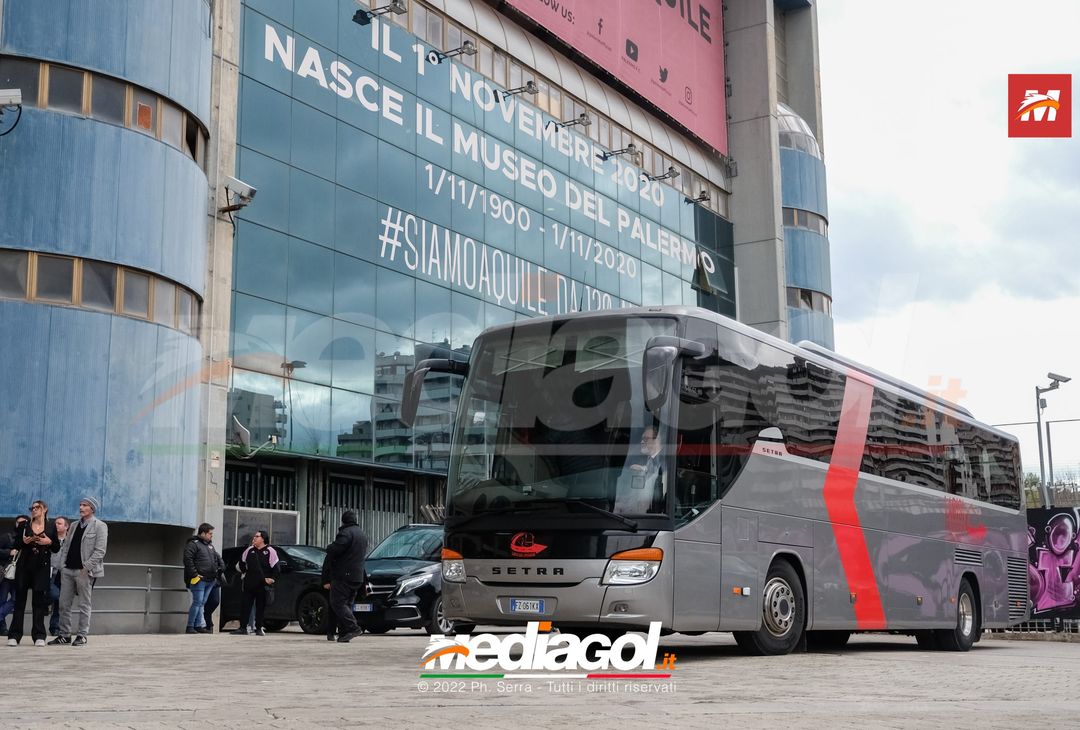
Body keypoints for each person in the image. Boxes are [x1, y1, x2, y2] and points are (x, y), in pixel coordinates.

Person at [50, 497, 108, 647]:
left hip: (84, 571)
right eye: (80, 505)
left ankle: (82, 635)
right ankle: (64, 635)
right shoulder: (74, 525)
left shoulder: (100, 526)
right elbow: (66, 547)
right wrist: (62, 565)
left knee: (84, 604)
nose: (81, 508)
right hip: (67, 570)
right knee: (63, 604)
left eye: (85, 505)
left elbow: (100, 551)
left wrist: (86, 567)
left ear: (92, 509)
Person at [7, 500, 60, 647]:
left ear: (45, 509)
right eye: (32, 508)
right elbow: (16, 545)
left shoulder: (50, 526)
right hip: (24, 566)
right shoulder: (24, 525)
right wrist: (25, 541)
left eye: (37, 507)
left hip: (41, 568)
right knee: (19, 602)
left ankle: (39, 636)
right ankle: (14, 635)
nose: (34, 510)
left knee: (38, 602)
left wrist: (49, 542)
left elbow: (56, 547)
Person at [324, 511, 368, 643]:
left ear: (343, 521)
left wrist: (330, 546)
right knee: (347, 604)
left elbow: (335, 549)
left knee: (337, 603)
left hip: (344, 575)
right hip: (357, 576)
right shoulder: (362, 534)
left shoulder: (346, 533)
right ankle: (344, 633)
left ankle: (353, 628)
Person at [233, 531, 279, 636]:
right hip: (249, 583)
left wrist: (271, 579)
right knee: (245, 605)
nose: (254, 538)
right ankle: (243, 628)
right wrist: (245, 572)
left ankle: (258, 628)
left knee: (260, 607)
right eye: (254, 536)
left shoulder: (270, 551)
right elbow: (241, 562)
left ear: (263, 539)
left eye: (257, 536)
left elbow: (276, 568)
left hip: (262, 584)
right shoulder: (249, 550)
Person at [183, 523, 225, 635]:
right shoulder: (193, 544)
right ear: (203, 533)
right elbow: (188, 559)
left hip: (210, 580)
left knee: (202, 603)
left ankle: (198, 625)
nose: (212, 536)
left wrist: (220, 568)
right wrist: (195, 574)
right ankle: (190, 626)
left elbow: (217, 558)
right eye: (210, 533)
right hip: (199, 580)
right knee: (197, 602)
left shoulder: (209, 546)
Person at [618, 426, 667, 514]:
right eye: (642, 439)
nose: (641, 442)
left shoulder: (665, 462)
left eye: (645, 439)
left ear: (657, 440)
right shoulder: (646, 460)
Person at [0, 516, 28, 635]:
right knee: (1, 599)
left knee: (16, 600)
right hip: (6, 573)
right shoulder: (7, 536)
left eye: (24, 523)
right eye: (19, 522)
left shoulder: (29, 539)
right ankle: (2, 627)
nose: (21, 525)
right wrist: (8, 552)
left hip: (21, 574)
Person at [48, 516, 69, 636]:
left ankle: (54, 627)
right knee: (54, 595)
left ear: (66, 526)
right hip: (49, 572)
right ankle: (46, 604)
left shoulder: (70, 541)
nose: (56, 525)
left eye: (59, 523)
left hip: (63, 574)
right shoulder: (50, 538)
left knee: (60, 602)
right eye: (55, 523)